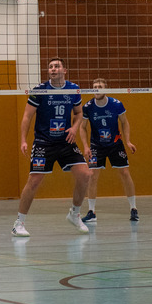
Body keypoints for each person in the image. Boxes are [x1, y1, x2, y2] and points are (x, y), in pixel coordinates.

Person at [13, 57, 92, 237]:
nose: (53, 69)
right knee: (34, 181)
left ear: (64, 70)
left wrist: (74, 127)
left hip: (65, 141)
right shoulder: (39, 91)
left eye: (57, 66)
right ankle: (19, 223)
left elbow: (79, 113)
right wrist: (23, 140)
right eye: (50, 67)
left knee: (85, 174)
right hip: (43, 142)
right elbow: (27, 117)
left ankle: (74, 213)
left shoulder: (73, 89)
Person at [79, 78, 139, 223]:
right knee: (92, 175)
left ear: (105, 88)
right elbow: (82, 127)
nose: (97, 89)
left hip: (115, 144)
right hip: (96, 146)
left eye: (99, 86)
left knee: (125, 173)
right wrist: (86, 147)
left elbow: (125, 122)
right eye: (94, 86)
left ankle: (133, 209)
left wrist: (128, 141)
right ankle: (92, 212)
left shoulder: (116, 104)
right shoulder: (88, 107)